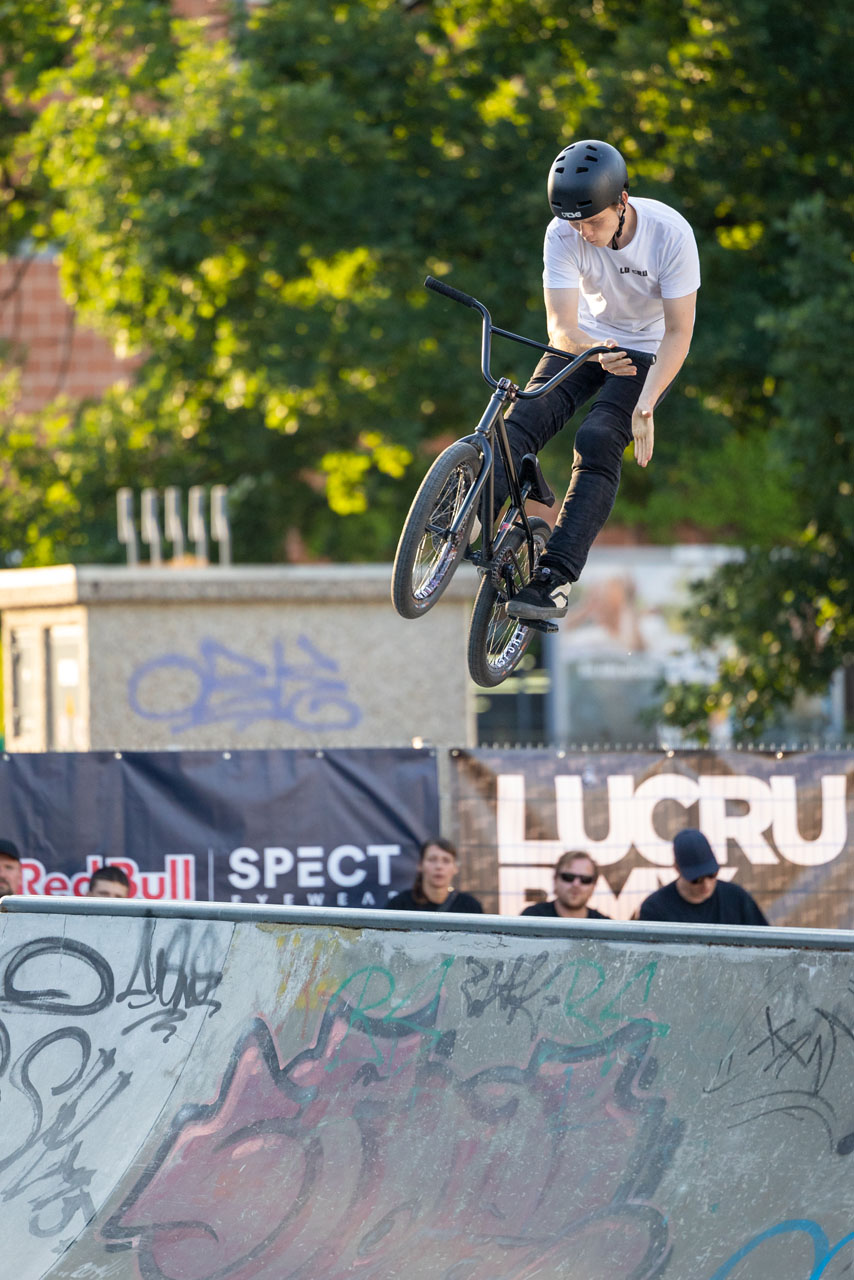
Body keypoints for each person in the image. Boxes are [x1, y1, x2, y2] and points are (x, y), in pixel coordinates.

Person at [498, 138, 700, 622]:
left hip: (648, 349)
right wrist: (594, 348)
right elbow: (561, 326)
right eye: (575, 223)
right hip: (586, 339)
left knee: (599, 437)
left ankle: (555, 579)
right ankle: (469, 518)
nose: (583, 233)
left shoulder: (670, 235)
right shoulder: (561, 234)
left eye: (593, 221)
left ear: (622, 202)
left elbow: (679, 332)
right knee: (523, 416)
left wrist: (646, 405)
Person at [638, 828, 769, 925]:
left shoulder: (737, 898)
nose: (706, 885)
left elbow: (766, 944)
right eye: (696, 880)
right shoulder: (655, 908)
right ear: (677, 868)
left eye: (712, 875)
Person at [389, 838, 483, 913]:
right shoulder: (400, 905)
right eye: (432, 859)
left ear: (455, 868)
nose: (439, 866)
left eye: (446, 861)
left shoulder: (470, 906)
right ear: (420, 865)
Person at [521, 851, 610, 920]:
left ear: (594, 885)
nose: (576, 884)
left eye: (585, 879)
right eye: (568, 877)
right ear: (555, 879)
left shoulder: (605, 927)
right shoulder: (532, 918)